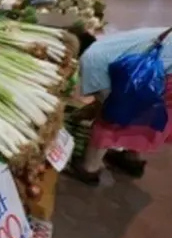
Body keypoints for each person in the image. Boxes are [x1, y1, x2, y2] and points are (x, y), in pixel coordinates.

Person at [68, 27, 172, 186]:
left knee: (110, 116)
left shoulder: (90, 58)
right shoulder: (106, 44)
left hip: (166, 73)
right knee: (144, 114)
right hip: (164, 67)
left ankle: (89, 168)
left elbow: (108, 102)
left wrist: (94, 110)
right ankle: (131, 160)